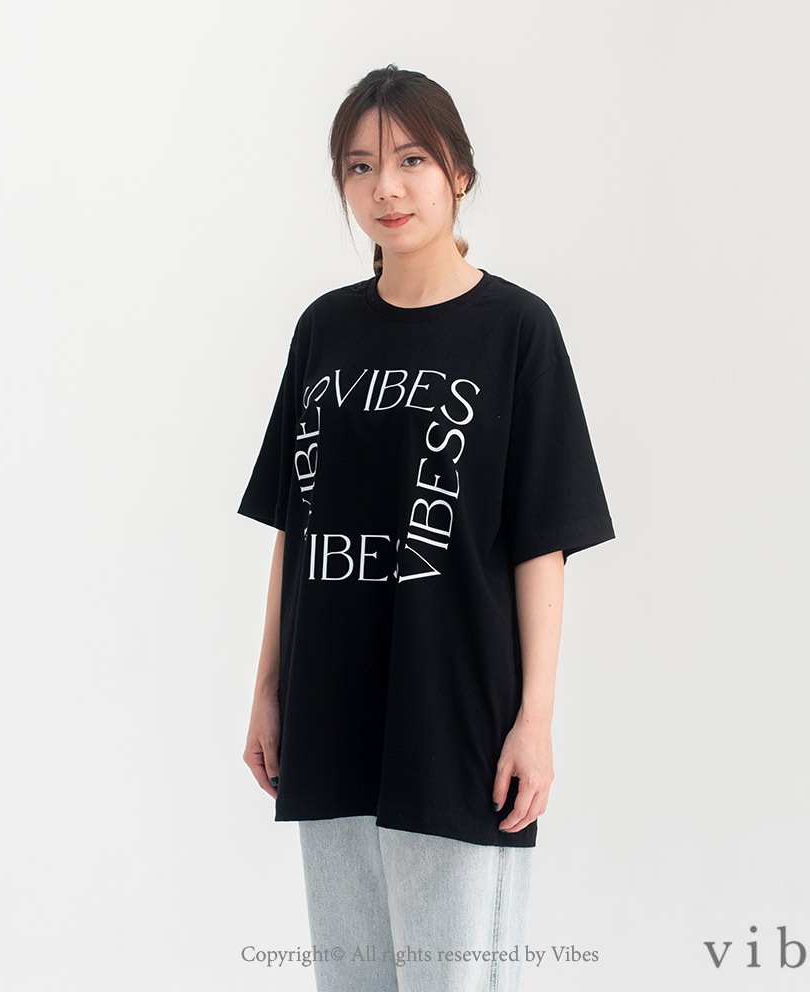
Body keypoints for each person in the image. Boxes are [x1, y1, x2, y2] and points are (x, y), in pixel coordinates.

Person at [238, 64, 615, 992]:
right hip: (332, 711)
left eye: (411, 159)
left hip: (457, 720)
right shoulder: (324, 330)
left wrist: (535, 720)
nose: (387, 188)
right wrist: (267, 690)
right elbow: (294, 521)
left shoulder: (516, 329)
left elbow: (541, 540)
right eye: (360, 166)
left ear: (460, 172)